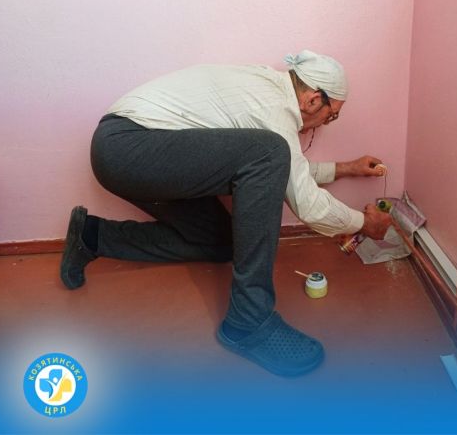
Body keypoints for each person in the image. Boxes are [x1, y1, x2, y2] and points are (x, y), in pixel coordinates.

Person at [60, 50, 393, 376]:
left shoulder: (270, 92)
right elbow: (306, 201)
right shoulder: (274, 109)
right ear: (313, 100)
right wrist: (364, 223)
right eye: (332, 115)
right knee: (270, 152)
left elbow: (291, 172)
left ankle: (92, 236)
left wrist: (346, 168)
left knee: (223, 241)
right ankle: (248, 321)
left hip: (133, 149)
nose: (326, 123)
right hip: (127, 148)